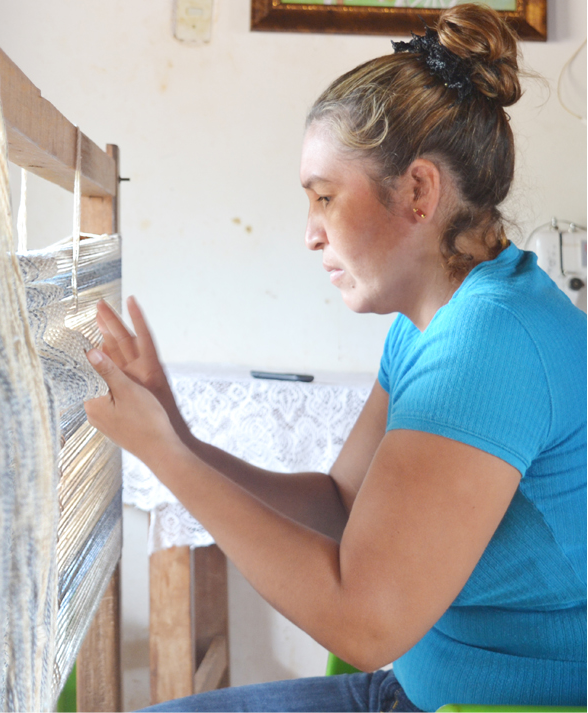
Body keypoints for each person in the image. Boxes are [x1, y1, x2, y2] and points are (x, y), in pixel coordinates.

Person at [83, 5, 585, 711]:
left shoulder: (489, 342)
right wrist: (180, 436)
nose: (311, 234)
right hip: (416, 687)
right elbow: (342, 504)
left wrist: (166, 458)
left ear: (418, 191)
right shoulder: (436, 322)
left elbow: (365, 620)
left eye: (324, 197)